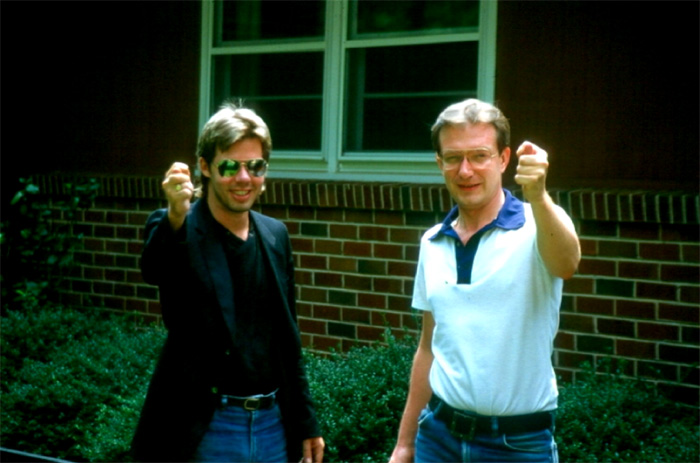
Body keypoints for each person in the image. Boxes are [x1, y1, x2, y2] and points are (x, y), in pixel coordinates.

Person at [131, 102, 325, 463]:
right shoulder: (178, 226)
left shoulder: (275, 235)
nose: (244, 178)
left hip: (272, 426)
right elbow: (154, 270)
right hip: (206, 428)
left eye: (256, 166)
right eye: (230, 166)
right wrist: (176, 215)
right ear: (204, 167)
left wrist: (306, 421)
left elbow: (288, 340)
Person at [389, 99, 581, 463]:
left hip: (517, 446)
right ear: (440, 163)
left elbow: (567, 264)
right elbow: (429, 347)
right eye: (453, 158)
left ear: (504, 159)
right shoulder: (432, 242)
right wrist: (405, 443)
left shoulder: (539, 224)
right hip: (437, 440)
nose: (465, 171)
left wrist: (538, 195)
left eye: (479, 156)